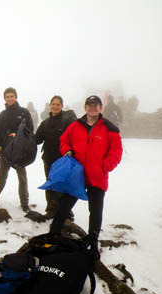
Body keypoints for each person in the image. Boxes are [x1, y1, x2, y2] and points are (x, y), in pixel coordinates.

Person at [49, 95, 123, 252]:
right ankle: (53, 233)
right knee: (64, 206)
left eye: (95, 105)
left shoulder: (110, 129)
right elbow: (64, 140)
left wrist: (104, 166)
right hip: (77, 176)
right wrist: (67, 151)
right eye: (89, 105)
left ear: (101, 108)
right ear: (85, 107)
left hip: (98, 177)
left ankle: (93, 240)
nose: (92, 108)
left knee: (95, 210)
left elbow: (116, 152)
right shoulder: (75, 126)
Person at [0, 87, 34, 212]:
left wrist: (21, 137)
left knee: (22, 178)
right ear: (5, 98)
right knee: (1, 177)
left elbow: (30, 129)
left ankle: (24, 203)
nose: (10, 99)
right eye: (7, 97)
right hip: (5, 151)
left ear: (16, 97)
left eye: (12, 96)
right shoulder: (2, 115)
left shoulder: (24, 112)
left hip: (20, 151)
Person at [35, 95, 77, 220]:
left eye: (58, 104)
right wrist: (22, 134)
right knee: (50, 185)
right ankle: (51, 210)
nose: (55, 106)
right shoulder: (45, 123)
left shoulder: (67, 120)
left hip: (63, 160)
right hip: (48, 158)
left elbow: (75, 136)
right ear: (50, 106)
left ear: (62, 106)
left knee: (62, 186)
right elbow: (37, 139)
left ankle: (66, 212)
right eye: (53, 104)